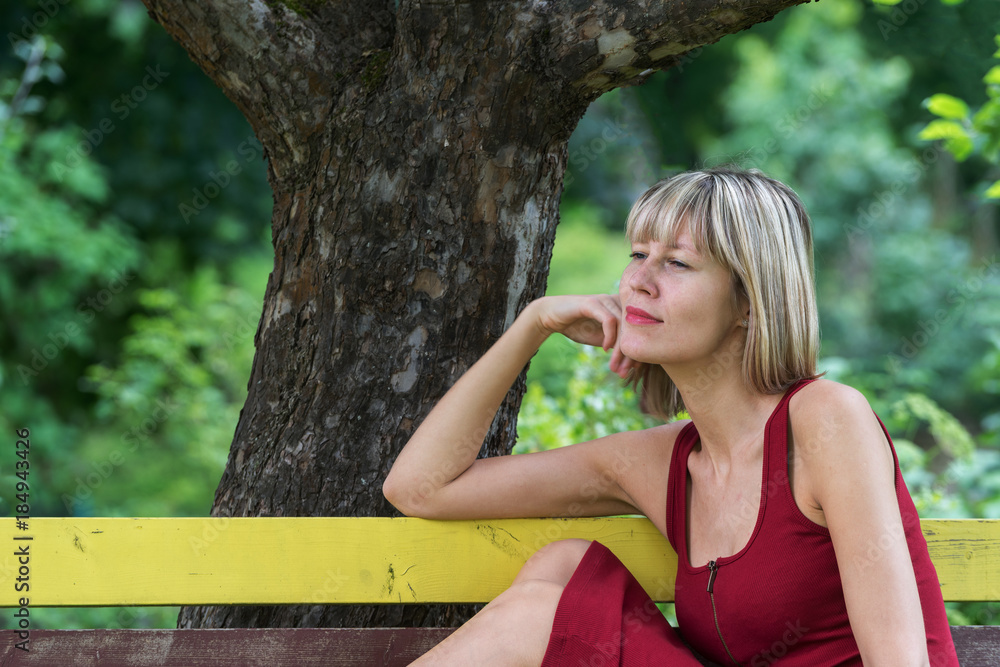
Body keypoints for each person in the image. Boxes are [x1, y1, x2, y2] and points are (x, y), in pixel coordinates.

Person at [382, 167, 959, 666]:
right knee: (564, 566)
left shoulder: (828, 421)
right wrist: (532, 324)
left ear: (749, 303)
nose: (638, 281)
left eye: (677, 263)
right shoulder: (662, 462)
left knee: (538, 617)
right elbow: (420, 489)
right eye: (638, 254)